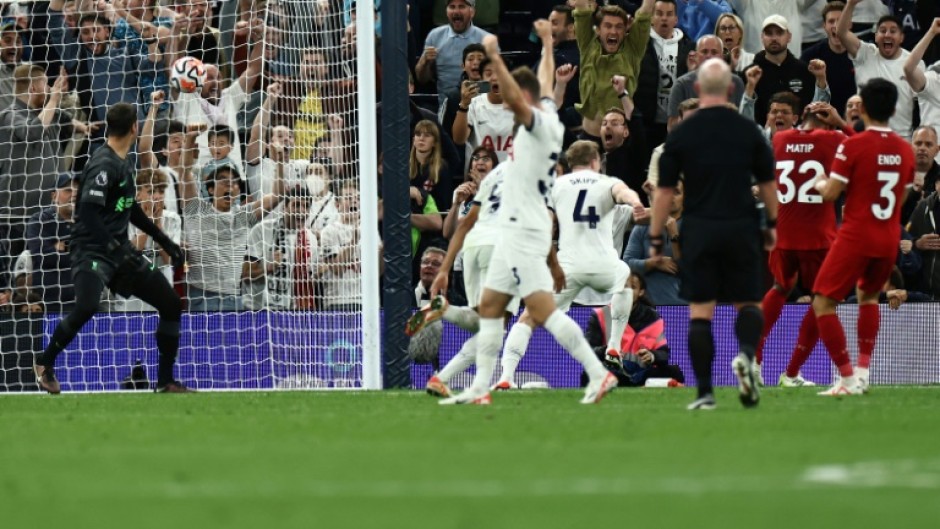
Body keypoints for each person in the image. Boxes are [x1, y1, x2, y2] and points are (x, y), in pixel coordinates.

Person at [437, 23, 619, 405]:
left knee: (542, 310)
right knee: (490, 308)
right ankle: (480, 388)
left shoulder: (538, 125)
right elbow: (545, 79)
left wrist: (494, 54)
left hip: (526, 228)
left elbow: (522, 98)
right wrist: (548, 43)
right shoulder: (545, 111)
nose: (507, 102)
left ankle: (600, 374)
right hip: (512, 228)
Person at [32, 102, 190, 394]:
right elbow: (88, 213)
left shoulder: (124, 161)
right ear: (134, 127)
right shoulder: (104, 164)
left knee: (170, 303)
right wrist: (114, 248)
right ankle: (44, 362)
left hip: (118, 251)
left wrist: (164, 240)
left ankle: (165, 381)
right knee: (87, 306)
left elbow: (131, 209)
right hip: (92, 250)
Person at [650, 57, 778, 410]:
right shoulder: (747, 130)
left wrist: (657, 237)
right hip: (741, 226)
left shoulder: (682, 134)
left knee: (701, 312)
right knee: (748, 303)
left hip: (699, 229)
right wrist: (771, 225)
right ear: (732, 89)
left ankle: (705, 393)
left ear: (696, 88)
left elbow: (663, 193)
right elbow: (768, 185)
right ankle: (747, 355)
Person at [492, 140, 644, 390]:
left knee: (529, 317)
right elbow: (624, 194)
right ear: (595, 161)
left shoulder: (556, 185)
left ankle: (506, 377)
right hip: (604, 263)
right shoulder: (607, 182)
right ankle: (614, 346)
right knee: (626, 279)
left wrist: (551, 264)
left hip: (567, 266)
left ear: (571, 163)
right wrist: (636, 203)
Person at [811, 78, 915, 395]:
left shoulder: (852, 146)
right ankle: (863, 373)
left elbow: (831, 193)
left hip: (856, 236)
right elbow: (902, 197)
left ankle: (846, 378)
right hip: (887, 238)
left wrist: (819, 180)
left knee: (823, 303)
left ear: (864, 108)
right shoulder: (905, 150)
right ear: (894, 109)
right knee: (868, 297)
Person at [755, 103, 850, 388]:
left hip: (784, 236)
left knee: (780, 287)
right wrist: (841, 122)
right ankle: (792, 373)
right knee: (824, 301)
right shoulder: (834, 138)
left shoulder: (780, 138)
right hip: (817, 238)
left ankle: (754, 361)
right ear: (827, 122)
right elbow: (864, 147)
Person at [581, 273, 685, 387]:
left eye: (633, 287)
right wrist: (607, 350)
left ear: (641, 292)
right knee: (589, 374)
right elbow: (589, 351)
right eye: (624, 286)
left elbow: (664, 354)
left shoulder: (653, 317)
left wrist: (652, 356)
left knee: (674, 371)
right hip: (614, 371)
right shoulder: (601, 315)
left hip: (643, 373)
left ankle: (647, 386)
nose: (627, 291)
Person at [836, 0, 920, 139]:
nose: (887, 34)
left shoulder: (913, 63)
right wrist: (850, 4)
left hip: (901, 139)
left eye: (893, 31)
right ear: (875, 36)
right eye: (882, 30)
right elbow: (841, 33)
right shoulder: (865, 54)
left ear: (901, 37)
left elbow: (923, 104)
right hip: (866, 137)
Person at [572, 0, 655, 138]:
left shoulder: (633, 48)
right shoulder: (587, 43)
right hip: (588, 136)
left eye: (619, 27)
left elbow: (646, 12)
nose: (613, 31)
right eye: (608, 26)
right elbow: (581, 9)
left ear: (626, 29)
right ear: (598, 30)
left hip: (621, 140)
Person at [113, 168, 182, 312]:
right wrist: (147, 223)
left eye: (161, 191)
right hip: (131, 297)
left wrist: (157, 225)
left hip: (161, 291)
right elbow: (129, 256)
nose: (156, 196)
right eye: (151, 191)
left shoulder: (173, 219)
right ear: (138, 195)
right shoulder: (123, 218)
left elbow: (169, 260)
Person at [243, 186, 319, 310]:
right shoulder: (262, 230)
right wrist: (269, 268)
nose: (301, 211)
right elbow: (245, 274)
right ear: (284, 207)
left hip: (290, 312)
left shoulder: (311, 240)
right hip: (257, 310)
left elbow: (310, 280)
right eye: (296, 205)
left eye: (306, 206)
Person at [637, 0, 693, 150]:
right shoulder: (640, 44)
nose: (664, 18)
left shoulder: (688, 46)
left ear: (676, 19)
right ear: (651, 18)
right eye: (659, 13)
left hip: (677, 122)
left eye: (669, 14)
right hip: (646, 122)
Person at [746, 15, 818, 126]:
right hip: (760, 134)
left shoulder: (804, 71)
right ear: (762, 37)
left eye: (779, 33)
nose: (774, 38)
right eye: (769, 33)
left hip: (799, 133)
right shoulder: (751, 74)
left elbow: (814, 108)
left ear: (789, 37)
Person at [415, 0, 492, 104]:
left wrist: (466, 93)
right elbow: (422, 79)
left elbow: (496, 83)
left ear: (472, 12)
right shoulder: (434, 36)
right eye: (452, 7)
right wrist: (424, 61)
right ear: (446, 12)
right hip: (447, 107)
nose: (456, 11)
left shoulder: (487, 40)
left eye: (461, 7)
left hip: (480, 106)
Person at [25, 173, 78, 313]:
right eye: (68, 190)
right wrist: (77, 251)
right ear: (54, 196)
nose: (74, 194)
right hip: (48, 303)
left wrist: (61, 247)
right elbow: (43, 255)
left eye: (78, 190)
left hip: (81, 302)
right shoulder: (40, 220)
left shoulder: (87, 222)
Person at [451, 57, 515, 166]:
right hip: (480, 172)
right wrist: (464, 105)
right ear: (481, 78)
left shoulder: (520, 106)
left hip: (511, 172)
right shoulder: (474, 104)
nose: (494, 78)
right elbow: (459, 139)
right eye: (489, 74)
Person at [801, 2, 856, 120]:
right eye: (831, 21)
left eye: (840, 20)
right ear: (824, 26)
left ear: (850, 24)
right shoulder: (810, 56)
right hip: (822, 121)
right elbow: (806, 98)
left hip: (855, 120)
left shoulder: (862, 54)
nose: (836, 25)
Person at [908, 169, 940, 300]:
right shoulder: (923, 207)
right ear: (937, 184)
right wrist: (917, 243)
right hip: (926, 293)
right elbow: (905, 241)